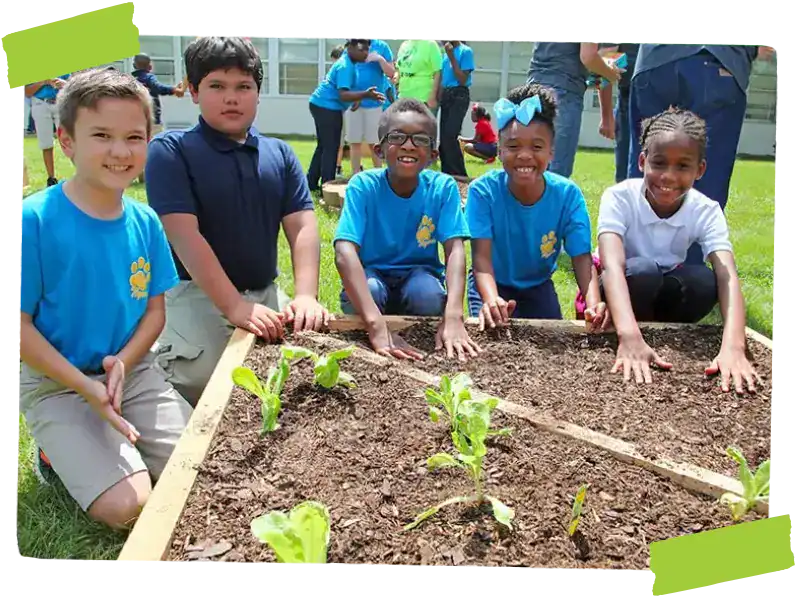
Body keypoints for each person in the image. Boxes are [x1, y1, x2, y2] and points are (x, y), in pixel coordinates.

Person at [17, 68, 192, 528]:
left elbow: (155, 311)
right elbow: (15, 328)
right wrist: (86, 386)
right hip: (58, 383)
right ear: (66, 140)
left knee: (202, 467)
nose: (120, 151)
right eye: (102, 135)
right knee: (129, 506)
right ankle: (56, 455)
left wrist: (123, 364)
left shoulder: (146, 221)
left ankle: (113, 444)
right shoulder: (30, 221)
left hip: (131, 374)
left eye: (134, 136)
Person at [145, 35, 331, 405]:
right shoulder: (172, 151)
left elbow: (303, 226)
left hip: (264, 291)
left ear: (257, 93)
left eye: (243, 86)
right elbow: (185, 236)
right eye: (217, 86)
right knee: (208, 384)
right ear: (194, 91)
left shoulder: (279, 153)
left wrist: (307, 294)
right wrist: (233, 306)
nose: (232, 97)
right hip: (197, 294)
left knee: (294, 378)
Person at [597, 107, 759, 393]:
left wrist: (735, 346)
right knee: (644, 270)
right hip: (623, 284)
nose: (668, 177)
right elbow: (611, 267)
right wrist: (629, 335)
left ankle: (661, 332)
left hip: (663, 290)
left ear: (700, 170)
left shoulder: (706, 210)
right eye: (659, 163)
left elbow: (727, 276)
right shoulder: (619, 197)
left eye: (682, 166)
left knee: (704, 280)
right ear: (642, 161)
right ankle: (637, 333)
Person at [334, 98, 480, 362]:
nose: (409, 145)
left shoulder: (442, 188)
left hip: (418, 274)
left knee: (427, 295)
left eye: (421, 140)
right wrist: (376, 325)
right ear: (379, 150)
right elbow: (345, 251)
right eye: (397, 137)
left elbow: (455, 250)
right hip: (372, 276)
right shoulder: (363, 185)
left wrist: (454, 315)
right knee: (371, 290)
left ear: (434, 155)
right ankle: (375, 318)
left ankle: (411, 330)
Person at [465, 83, 606, 331]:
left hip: (538, 285)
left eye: (537, 147)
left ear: (551, 152)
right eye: (513, 146)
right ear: (499, 151)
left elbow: (582, 259)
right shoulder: (483, 192)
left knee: (552, 340)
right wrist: (491, 299)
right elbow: (481, 259)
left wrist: (593, 303)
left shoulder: (567, 195)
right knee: (492, 338)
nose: (525, 156)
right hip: (491, 282)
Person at [626, 43, 774, 265]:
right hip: (717, 57)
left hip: (653, 59)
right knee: (706, 176)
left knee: (647, 167)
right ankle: (687, 273)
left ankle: (631, 267)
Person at [526, 42, 622, 178]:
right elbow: (589, 58)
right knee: (556, 176)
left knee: (532, 169)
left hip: (533, 89)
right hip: (564, 93)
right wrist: (612, 74)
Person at [307, 38, 385, 192]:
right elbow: (343, 95)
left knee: (323, 146)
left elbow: (346, 91)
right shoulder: (345, 66)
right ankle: (327, 187)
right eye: (362, 49)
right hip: (327, 106)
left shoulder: (350, 63)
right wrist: (365, 95)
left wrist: (355, 98)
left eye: (367, 50)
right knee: (331, 147)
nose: (365, 53)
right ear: (351, 48)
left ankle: (311, 182)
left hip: (320, 104)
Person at [131, 53, 185, 184]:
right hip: (152, 119)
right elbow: (158, 88)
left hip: (135, 119)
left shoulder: (131, 80)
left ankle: (137, 173)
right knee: (156, 146)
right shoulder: (149, 77)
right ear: (150, 67)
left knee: (138, 144)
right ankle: (154, 172)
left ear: (134, 66)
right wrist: (174, 90)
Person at [347, 37, 395, 174]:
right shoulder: (351, 46)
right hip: (354, 102)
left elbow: (391, 73)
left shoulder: (382, 46)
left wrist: (380, 59)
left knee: (374, 142)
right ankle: (356, 175)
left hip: (374, 102)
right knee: (354, 141)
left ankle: (378, 175)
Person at [596, 43, 640, 183]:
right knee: (627, 176)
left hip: (666, 99)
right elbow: (606, 63)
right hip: (630, 99)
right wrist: (606, 116)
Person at [23, 74, 71, 186]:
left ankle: (80, 176)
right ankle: (51, 178)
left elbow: (74, 86)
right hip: (40, 103)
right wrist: (43, 81)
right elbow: (27, 92)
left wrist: (64, 84)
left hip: (60, 102)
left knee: (69, 140)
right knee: (46, 143)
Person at [438, 40, 475, 177]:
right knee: (443, 137)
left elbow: (462, 79)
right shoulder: (445, 55)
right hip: (447, 94)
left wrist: (452, 56)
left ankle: (458, 173)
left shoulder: (465, 51)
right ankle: (446, 172)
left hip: (459, 94)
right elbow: (443, 78)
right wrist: (438, 97)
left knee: (450, 134)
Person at [395, 38, 442, 113]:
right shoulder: (404, 45)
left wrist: (432, 96)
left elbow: (438, 72)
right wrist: (396, 78)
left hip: (422, 96)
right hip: (404, 95)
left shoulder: (430, 44)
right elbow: (398, 67)